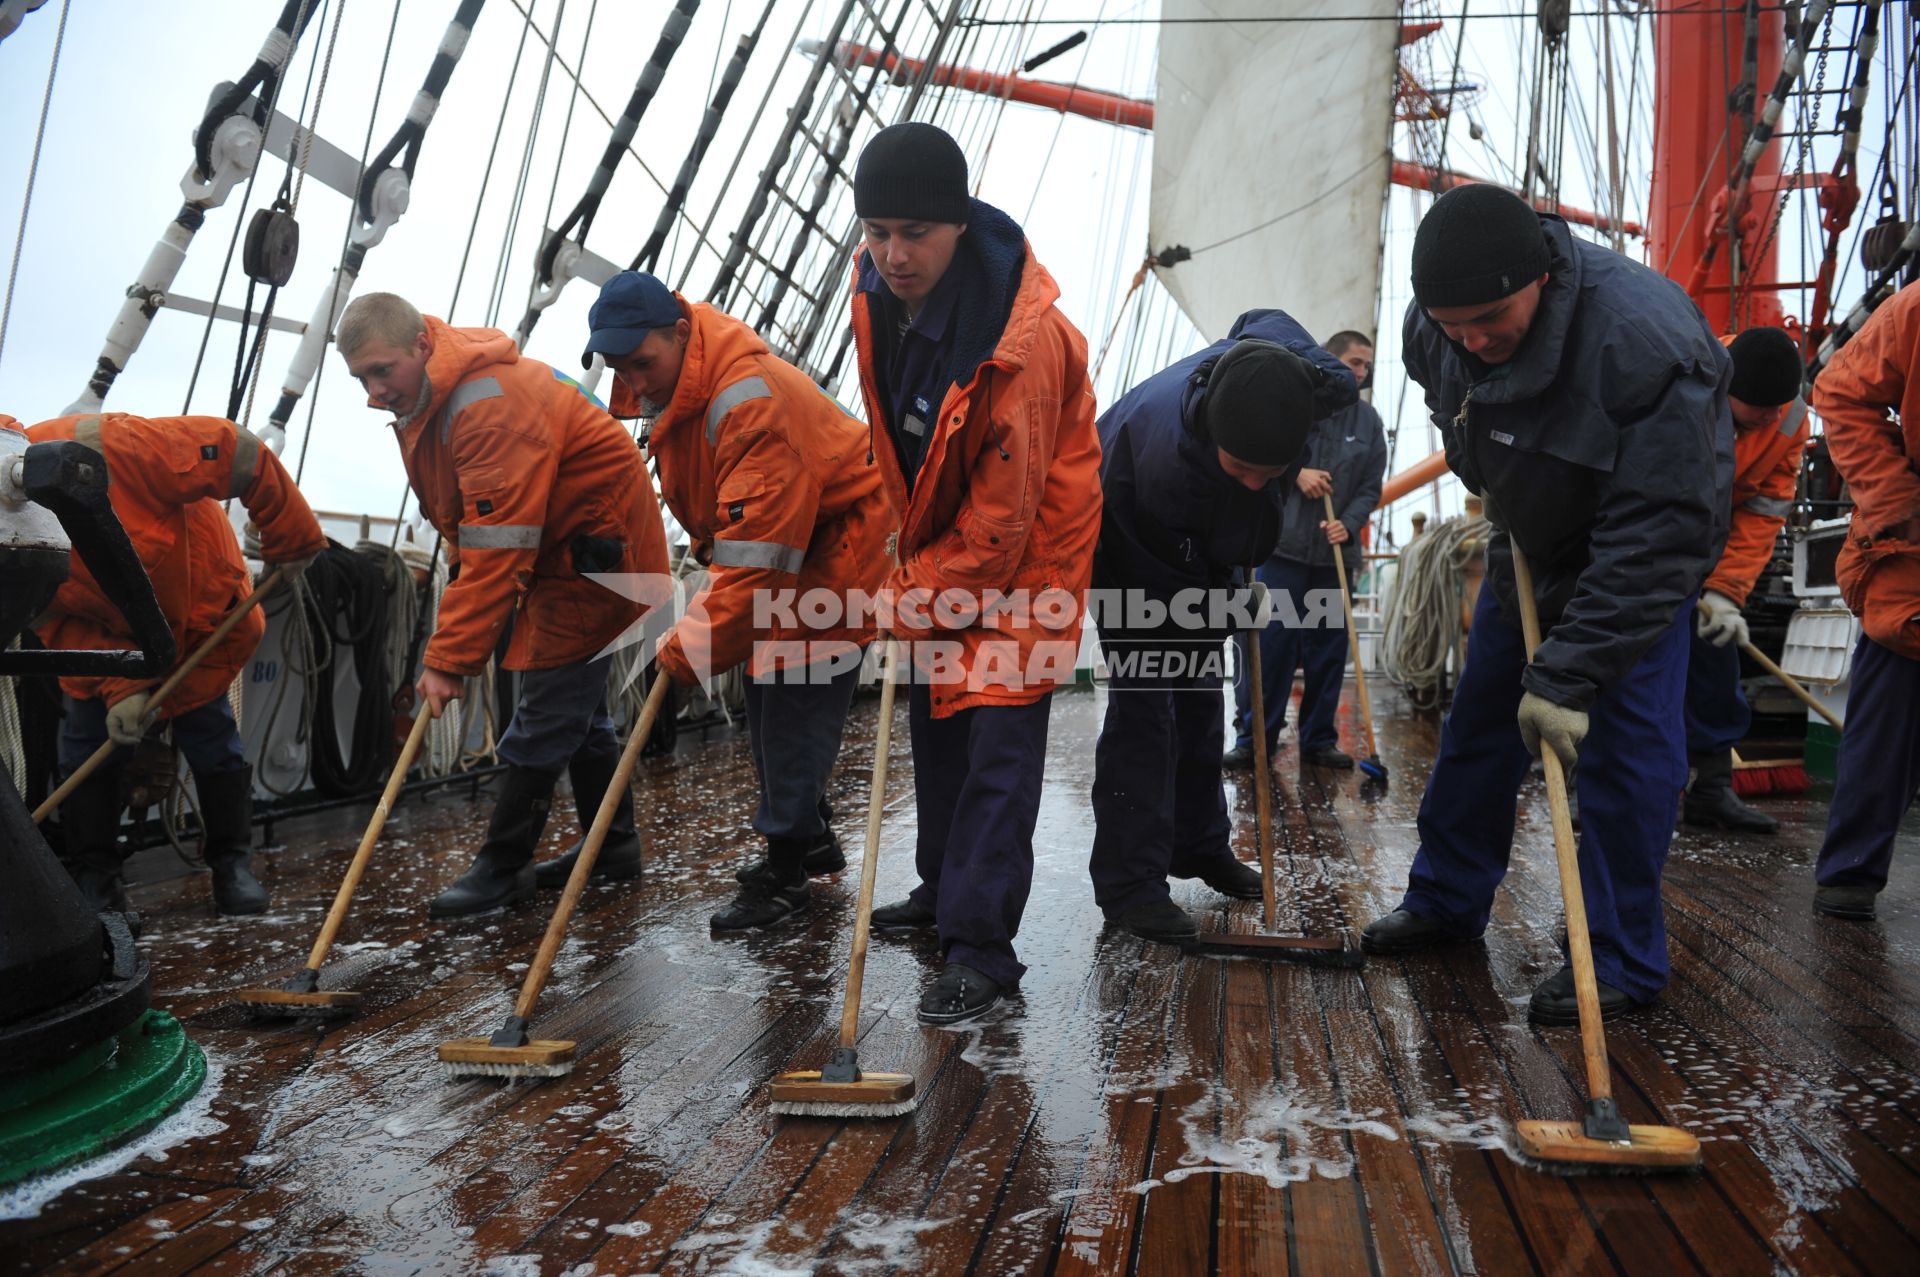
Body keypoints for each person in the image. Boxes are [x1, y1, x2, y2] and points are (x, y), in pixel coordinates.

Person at [1360, 184, 1733, 1026]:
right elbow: (1443, 391)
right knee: (1480, 726)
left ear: (1540, 277)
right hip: (1526, 543)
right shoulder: (1438, 326)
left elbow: (1666, 528)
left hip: (1631, 564)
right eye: (1455, 325)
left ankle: (1618, 960)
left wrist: (1569, 674)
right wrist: (1482, 467)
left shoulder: (1647, 343)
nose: (1472, 340)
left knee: (1624, 756)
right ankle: (1447, 901)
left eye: (1490, 318)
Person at [848, 121, 1102, 1025]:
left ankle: (983, 950)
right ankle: (941, 891)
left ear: (958, 225)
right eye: (876, 231)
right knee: (936, 729)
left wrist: (906, 597)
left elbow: (1002, 531)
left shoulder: (1024, 347)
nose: (892, 253)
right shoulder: (877, 295)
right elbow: (897, 445)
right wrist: (905, 571)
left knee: (994, 745)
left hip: (1029, 565)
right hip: (939, 546)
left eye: (914, 232)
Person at [336, 292, 670, 919]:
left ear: (423, 345)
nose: (374, 392)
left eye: (383, 371)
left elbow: (496, 544)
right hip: (559, 552)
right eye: (362, 378)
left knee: (544, 713)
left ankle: (503, 864)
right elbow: (474, 526)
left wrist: (449, 658)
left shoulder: (486, 404)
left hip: (597, 562)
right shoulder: (434, 398)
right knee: (579, 713)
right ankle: (615, 845)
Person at [579, 270, 892, 930]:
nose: (633, 381)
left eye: (642, 361)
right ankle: (807, 838)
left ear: (681, 332)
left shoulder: (747, 400)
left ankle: (784, 878)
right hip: (785, 547)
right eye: (618, 367)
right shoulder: (681, 394)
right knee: (764, 692)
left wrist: (685, 649)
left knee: (791, 700)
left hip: (840, 546)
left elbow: (756, 569)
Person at [1089, 313, 1356, 945]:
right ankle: (1131, 887)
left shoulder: (1283, 375)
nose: (1257, 482)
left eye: (1272, 471)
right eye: (1241, 468)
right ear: (1214, 435)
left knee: (1202, 696)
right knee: (1148, 711)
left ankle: (1199, 845)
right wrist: (1229, 605)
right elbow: (1183, 584)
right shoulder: (1166, 465)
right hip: (1123, 540)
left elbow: (1260, 321)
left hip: (1196, 540)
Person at [22, 411, 325, 915]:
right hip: (103, 646)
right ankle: (96, 878)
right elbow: (52, 620)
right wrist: (121, 688)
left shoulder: (110, 447)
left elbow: (239, 451)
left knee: (213, 744)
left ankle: (232, 863)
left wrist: (291, 540)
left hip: (199, 624)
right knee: (84, 747)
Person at [1806, 281, 1920, 920]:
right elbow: (1841, 388)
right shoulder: (1915, 310)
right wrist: (1894, 496)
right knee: (1888, 713)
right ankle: (1850, 873)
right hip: (1913, 554)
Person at [1227, 329, 1387, 770]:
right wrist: (1296, 474)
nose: (1362, 371)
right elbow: (1262, 453)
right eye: (1355, 362)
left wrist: (1349, 524)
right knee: (1269, 647)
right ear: (1332, 361)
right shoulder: (1299, 406)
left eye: (1367, 365)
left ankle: (1319, 740)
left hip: (1333, 559)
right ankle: (1254, 738)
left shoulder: (1369, 423)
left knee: (1327, 649)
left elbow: (1372, 484)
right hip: (1283, 552)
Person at [1682, 326, 1812, 834]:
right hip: (1641, 544)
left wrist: (1724, 592)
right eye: (1759, 408)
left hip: (1715, 550)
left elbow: (1764, 510)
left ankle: (1710, 792)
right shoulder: (1680, 382)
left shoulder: (1789, 415)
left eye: (1777, 407)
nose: (1771, 418)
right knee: (1624, 668)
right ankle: (1591, 788)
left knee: (1715, 665)